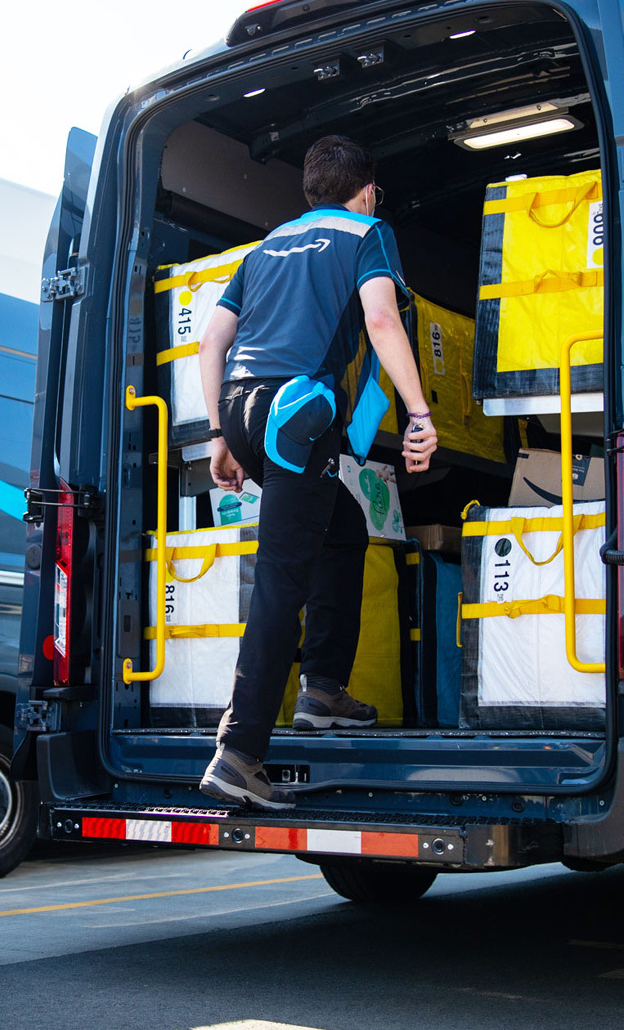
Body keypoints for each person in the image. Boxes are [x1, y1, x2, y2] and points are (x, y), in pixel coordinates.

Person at [194, 135, 438, 810]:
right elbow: (382, 318)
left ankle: (323, 689)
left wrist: (219, 433)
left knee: (342, 530)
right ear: (366, 189)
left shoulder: (266, 246)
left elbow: (212, 340)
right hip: (298, 411)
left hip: (245, 408)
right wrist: (419, 414)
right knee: (281, 576)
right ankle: (240, 751)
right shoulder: (368, 231)